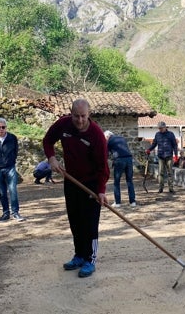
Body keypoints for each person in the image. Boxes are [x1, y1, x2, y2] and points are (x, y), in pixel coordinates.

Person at [43, 99, 109, 278]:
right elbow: (48, 140)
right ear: (70, 113)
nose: (79, 120)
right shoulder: (63, 125)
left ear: (89, 115)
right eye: (76, 116)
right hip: (71, 180)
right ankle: (79, 255)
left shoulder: (96, 135)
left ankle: (90, 259)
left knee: (90, 223)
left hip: (91, 184)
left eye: (83, 116)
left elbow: (103, 167)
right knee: (75, 220)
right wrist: (51, 158)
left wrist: (101, 190)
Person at [0, 118, 25, 222]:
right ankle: (5, 213)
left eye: (3, 127)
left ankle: (15, 213)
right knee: (2, 192)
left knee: (13, 190)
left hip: (10, 167)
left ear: (6, 127)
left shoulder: (12, 138)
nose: (1, 129)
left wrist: (11, 161)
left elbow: (15, 151)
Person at [104, 130, 136, 208]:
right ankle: (132, 202)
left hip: (119, 160)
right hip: (129, 159)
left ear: (107, 136)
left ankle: (117, 203)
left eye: (105, 138)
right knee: (129, 181)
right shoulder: (122, 138)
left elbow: (106, 154)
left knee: (116, 182)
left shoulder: (109, 141)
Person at [146, 121, 178, 193]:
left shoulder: (171, 134)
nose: (160, 129)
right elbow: (154, 144)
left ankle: (171, 188)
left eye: (161, 128)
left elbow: (174, 145)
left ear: (165, 127)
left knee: (170, 172)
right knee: (161, 173)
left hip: (169, 155)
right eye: (159, 128)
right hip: (160, 156)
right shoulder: (157, 135)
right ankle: (161, 188)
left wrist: (176, 155)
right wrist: (149, 149)